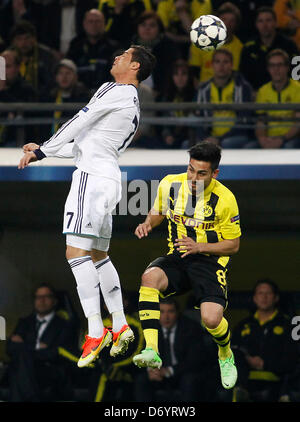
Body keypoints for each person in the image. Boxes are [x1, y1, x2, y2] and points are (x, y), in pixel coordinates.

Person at [18, 45, 157, 369]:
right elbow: (87, 145)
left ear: (134, 66)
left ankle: (96, 330)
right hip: (107, 177)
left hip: (91, 180)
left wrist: (43, 151)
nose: (115, 57)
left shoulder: (117, 89)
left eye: (123, 55)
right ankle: (120, 323)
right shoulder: (129, 101)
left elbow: (82, 119)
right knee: (97, 255)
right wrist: (48, 149)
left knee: (74, 253)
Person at [133, 141, 241, 390]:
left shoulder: (225, 200)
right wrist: (149, 222)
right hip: (179, 255)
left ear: (214, 173)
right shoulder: (171, 183)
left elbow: (233, 244)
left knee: (211, 320)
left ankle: (225, 353)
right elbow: (159, 210)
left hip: (209, 262)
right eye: (191, 169)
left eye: (201, 173)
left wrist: (200, 246)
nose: (193, 177)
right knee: (149, 278)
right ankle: (152, 349)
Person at [134, 297, 217, 402]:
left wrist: (169, 371)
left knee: (189, 380)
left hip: (182, 373)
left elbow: (194, 361)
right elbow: (141, 354)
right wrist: (151, 370)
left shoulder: (191, 328)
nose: (166, 317)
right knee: (141, 379)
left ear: (177, 313)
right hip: (158, 373)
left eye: (171, 311)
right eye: (162, 312)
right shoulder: (150, 328)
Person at [6, 283, 76, 402]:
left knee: (19, 366)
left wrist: (24, 345)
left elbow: (57, 353)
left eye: (46, 296)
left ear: (54, 301)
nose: (41, 300)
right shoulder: (24, 322)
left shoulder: (65, 325)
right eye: (38, 297)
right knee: (20, 364)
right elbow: (10, 348)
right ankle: (32, 397)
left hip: (49, 371)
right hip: (27, 370)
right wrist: (38, 346)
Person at [232, 279, 299, 402]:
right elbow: (233, 351)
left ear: (276, 298)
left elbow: (293, 357)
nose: (264, 297)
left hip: (279, 381)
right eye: (260, 293)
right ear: (254, 298)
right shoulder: (243, 325)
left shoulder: (289, 324)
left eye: (268, 293)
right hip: (245, 381)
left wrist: (265, 364)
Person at [195, 49, 253, 149]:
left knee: (226, 143)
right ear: (212, 65)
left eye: (225, 62)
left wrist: (220, 139)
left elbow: (244, 119)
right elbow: (198, 118)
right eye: (217, 62)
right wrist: (206, 138)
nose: (221, 66)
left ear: (231, 65)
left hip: (235, 136)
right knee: (186, 145)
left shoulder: (242, 87)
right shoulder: (203, 89)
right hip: (209, 137)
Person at [240, 6, 299, 91]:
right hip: (256, 97)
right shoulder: (249, 48)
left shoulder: (289, 45)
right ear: (256, 24)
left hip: (287, 94)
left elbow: (297, 73)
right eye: (260, 21)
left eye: (268, 20)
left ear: (275, 23)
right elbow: (243, 77)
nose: (264, 25)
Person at [253, 49, 300, 149]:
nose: (276, 69)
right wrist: (262, 140)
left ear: (287, 67)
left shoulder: (298, 89)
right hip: (268, 138)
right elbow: (261, 121)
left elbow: (298, 123)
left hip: (290, 139)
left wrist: (282, 139)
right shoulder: (263, 91)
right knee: (249, 148)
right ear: (268, 68)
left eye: (280, 65)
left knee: (289, 147)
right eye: (272, 65)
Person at [189, 2, 244, 84]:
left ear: (236, 24)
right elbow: (193, 73)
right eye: (224, 19)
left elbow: (234, 74)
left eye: (232, 21)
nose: (227, 24)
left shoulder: (240, 47)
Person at [66, 9, 119, 92]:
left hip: (107, 94)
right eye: (90, 21)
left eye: (98, 21)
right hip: (78, 95)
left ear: (104, 24)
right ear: (84, 24)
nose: (94, 25)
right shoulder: (75, 46)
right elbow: (67, 70)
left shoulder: (114, 47)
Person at [130, 11, 180, 99]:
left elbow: (171, 74)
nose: (147, 28)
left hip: (160, 96)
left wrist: (159, 91)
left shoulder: (168, 48)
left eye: (152, 25)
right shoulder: (128, 48)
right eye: (143, 25)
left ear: (159, 29)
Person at [39, 58, 91, 140]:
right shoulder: (49, 97)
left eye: (68, 73)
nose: (64, 77)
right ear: (56, 77)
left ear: (75, 77)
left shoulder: (84, 98)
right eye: (60, 73)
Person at [0, 48, 37, 147]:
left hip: (17, 144)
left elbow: (27, 114)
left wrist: (2, 92)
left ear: (18, 67)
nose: (2, 71)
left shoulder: (26, 89)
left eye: (7, 66)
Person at [9, 20, 58, 93]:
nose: (23, 43)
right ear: (13, 41)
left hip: (41, 99)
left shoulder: (47, 56)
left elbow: (51, 83)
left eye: (27, 38)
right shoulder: (7, 57)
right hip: (12, 98)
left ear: (34, 39)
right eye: (19, 39)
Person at [158, 59, 196, 149]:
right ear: (172, 77)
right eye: (176, 74)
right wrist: (167, 135)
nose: (180, 78)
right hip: (171, 137)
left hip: (189, 137)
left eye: (183, 74)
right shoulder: (166, 97)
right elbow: (164, 122)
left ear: (189, 76)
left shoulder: (196, 95)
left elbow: (194, 126)